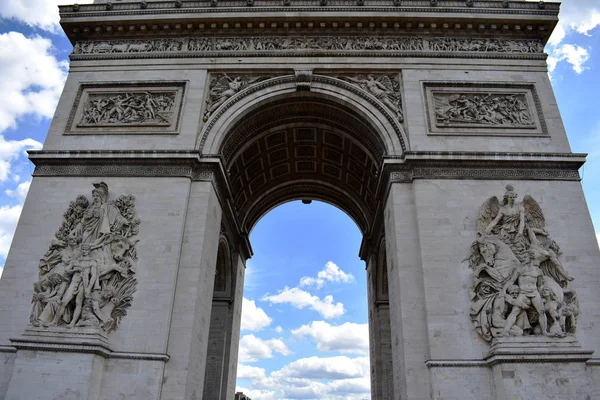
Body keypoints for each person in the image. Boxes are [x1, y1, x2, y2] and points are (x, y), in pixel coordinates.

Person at [501, 250, 549, 336]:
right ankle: (505, 331)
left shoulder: (538, 271)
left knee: (541, 311)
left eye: (525, 257)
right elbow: (511, 281)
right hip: (523, 293)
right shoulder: (519, 269)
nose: (522, 259)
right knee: (514, 311)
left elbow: (539, 285)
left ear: (530, 257)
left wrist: (542, 296)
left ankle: (544, 331)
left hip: (534, 293)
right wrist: (503, 290)